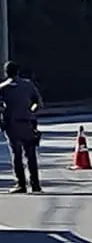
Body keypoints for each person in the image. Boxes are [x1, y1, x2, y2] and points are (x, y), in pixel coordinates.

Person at [0, 63, 42, 194]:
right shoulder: (28, 85)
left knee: (16, 154)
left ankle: (21, 184)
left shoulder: (3, 88)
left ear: (6, 72)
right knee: (30, 154)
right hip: (28, 122)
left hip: (12, 124)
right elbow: (38, 103)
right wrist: (31, 112)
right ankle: (35, 185)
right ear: (18, 71)